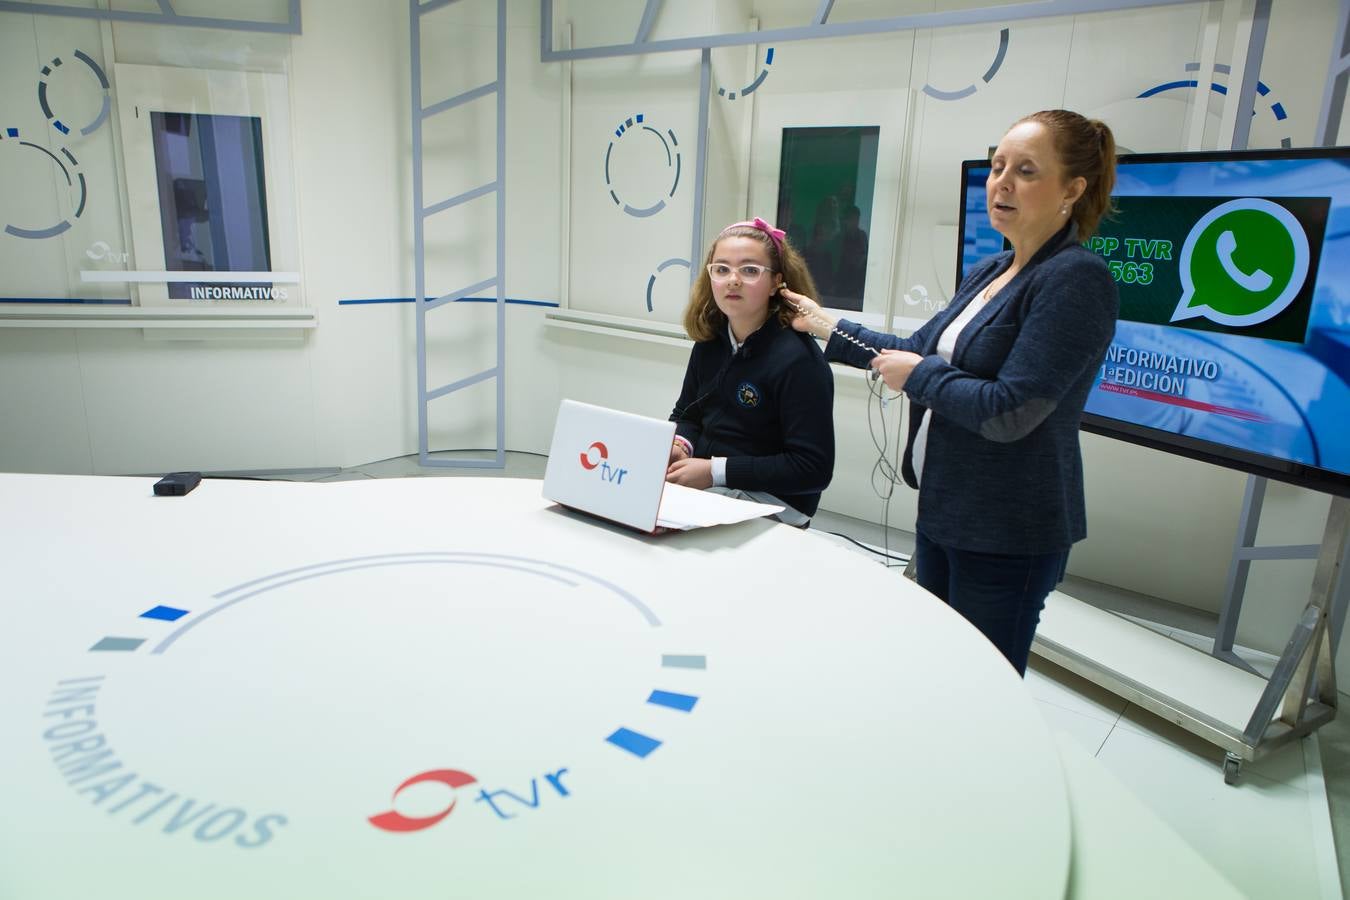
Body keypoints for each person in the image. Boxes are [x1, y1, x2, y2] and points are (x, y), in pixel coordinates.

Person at [786, 110, 1119, 674]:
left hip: (1009, 527)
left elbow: (1010, 410)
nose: (1002, 183)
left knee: (984, 682)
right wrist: (823, 324)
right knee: (939, 668)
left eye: (1026, 171)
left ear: (1073, 189)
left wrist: (917, 376)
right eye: (997, 167)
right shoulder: (992, 270)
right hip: (947, 508)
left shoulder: (1075, 280)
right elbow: (912, 348)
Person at [668, 217, 835, 527]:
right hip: (712, 481)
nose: (733, 280)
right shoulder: (709, 343)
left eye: (749, 270)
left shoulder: (799, 360)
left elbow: (812, 469)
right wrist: (680, 445)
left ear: (776, 283)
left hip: (776, 501)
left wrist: (713, 471)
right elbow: (687, 415)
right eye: (721, 269)